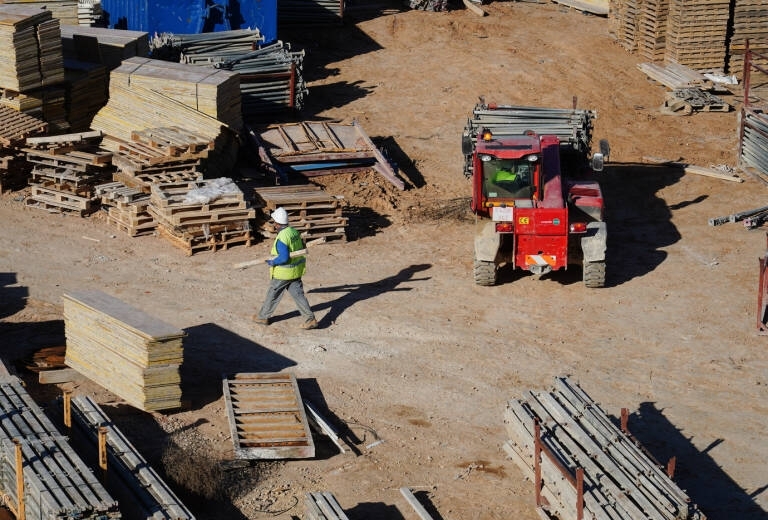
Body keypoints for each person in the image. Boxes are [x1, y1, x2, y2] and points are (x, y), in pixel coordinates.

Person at [253, 207, 318, 329]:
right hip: (296, 270)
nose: (274, 225)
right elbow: (301, 247)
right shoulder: (294, 232)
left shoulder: (282, 238)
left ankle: (262, 317)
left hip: (283, 273)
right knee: (299, 295)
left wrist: (273, 262)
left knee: (273, 294)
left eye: (274, 223)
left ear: (277, 224)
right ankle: (310, 319)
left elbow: (283, 258)